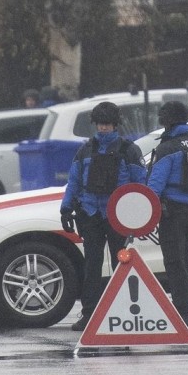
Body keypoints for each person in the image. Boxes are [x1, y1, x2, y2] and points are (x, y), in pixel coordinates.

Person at [60, 101, 146, 329]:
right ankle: (89, 314)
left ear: (115, 124)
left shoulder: (129, 150)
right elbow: (74, 181)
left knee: (122, 265)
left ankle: (125, 311)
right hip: (90, 213)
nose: (103, 128)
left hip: (118, 216)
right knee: (92, 266)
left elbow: (140, 185)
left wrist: (140, 215)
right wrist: (66, 208)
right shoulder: (85, 150)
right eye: (100, 124)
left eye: (107, 124)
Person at [147, 100, 188, 327]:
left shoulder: (167, 149)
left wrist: (146, 214)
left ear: (167, 122)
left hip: (170, 212)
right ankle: (186, 309)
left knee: (174, 263)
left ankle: (182, 314)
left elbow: (155, 186)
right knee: (184, 261)